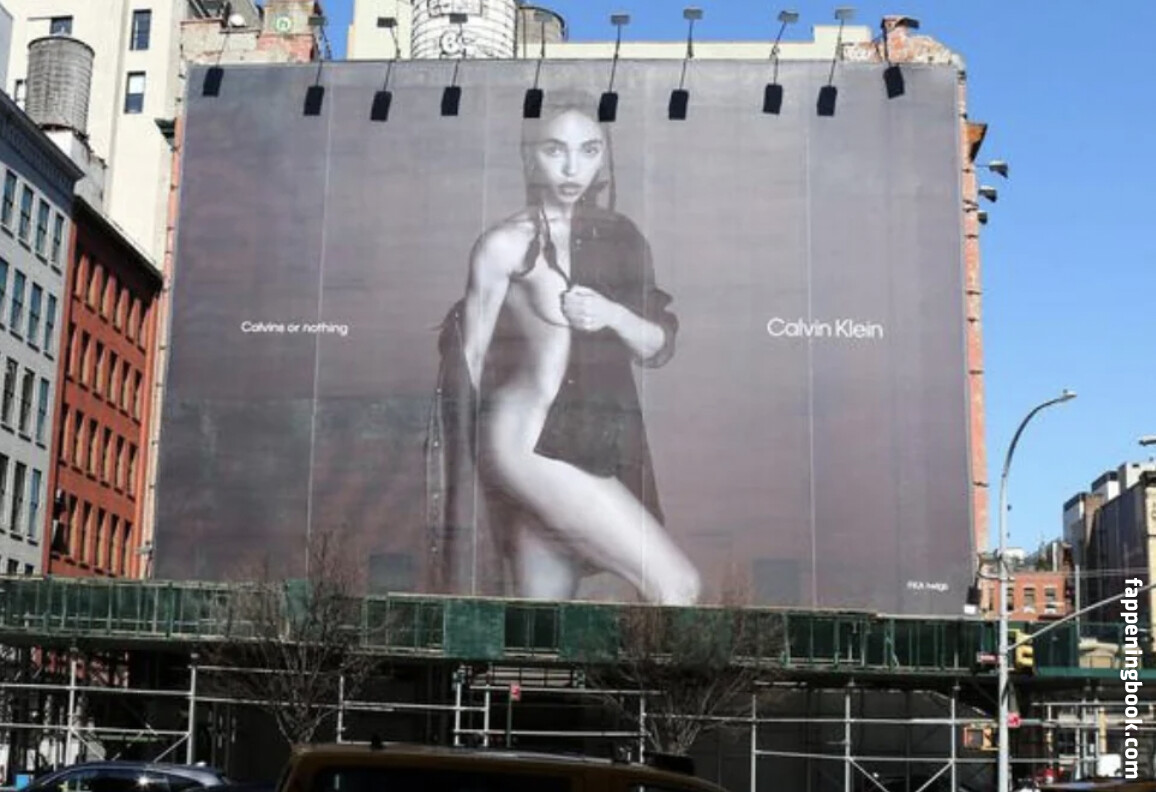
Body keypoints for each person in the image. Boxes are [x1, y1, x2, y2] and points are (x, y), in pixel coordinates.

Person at [428, 92, 700, 605]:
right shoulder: (506, 243)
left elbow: (658, 344)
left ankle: (519, 666)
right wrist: (462, 488)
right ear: (531, 156)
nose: (573, 168)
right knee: (677, 586)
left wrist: (613, 315)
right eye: (555, 150)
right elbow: (468, 363)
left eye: (589, 150)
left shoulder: (621, 238)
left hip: (583, 441)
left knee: (544, 614)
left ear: (604, 157)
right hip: (526, 440)